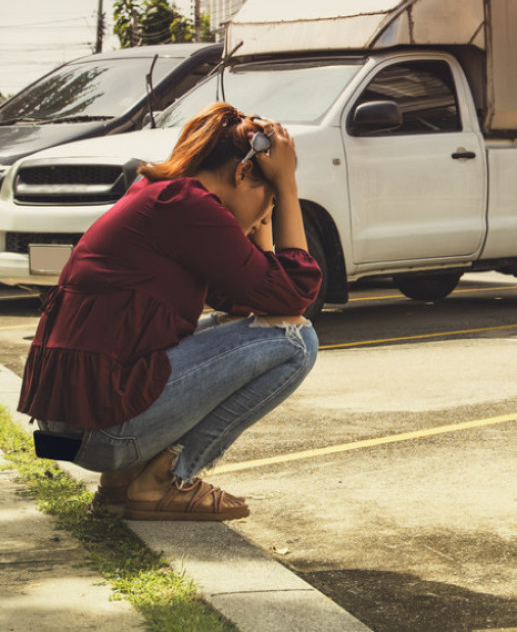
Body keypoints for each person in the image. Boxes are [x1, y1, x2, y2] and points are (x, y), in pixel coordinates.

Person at [18, 102, 322, 521]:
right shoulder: (190, 207)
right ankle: (167, 480)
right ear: (241, 174)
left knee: (256, 325)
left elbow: (250, 301)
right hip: (100, 433)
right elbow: (294, 296)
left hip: (67, 430)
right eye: (267, 201)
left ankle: (124, 482)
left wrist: (261, 219)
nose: (268, 212)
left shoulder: (159, 194)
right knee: (296, 343)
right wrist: (286, 188)